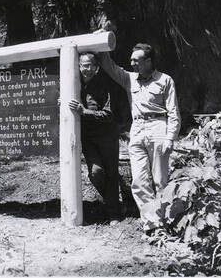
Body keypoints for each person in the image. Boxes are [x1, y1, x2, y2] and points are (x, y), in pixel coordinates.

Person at [96, 43, 181, 235]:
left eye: (136, 60)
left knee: (161, 179)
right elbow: (109, 65)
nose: (132, 63)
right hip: (137, 130)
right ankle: (152, 225)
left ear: (148, 61)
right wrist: (101, 40)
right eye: (131, 60)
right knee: (140, 181)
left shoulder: (165, 80)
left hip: (159, 127)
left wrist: (170, 137)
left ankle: (167, 222)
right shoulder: (130, 79)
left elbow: (174, 112)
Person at [68, 53, 121, 225]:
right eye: (84, 65)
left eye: (90, 65)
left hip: (107, 135)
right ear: (79, 66)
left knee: (111, 173)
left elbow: (109, 114)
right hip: (88, 138)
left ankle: (114, 214)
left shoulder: (104, 84)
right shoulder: (74, 84)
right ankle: (114, 203)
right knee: (96, 172)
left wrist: (85, 112)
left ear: (96, 66)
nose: (87, 69)